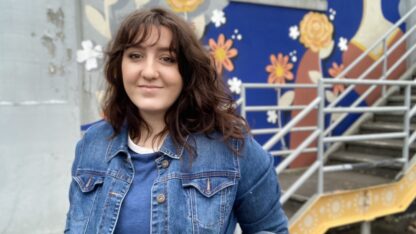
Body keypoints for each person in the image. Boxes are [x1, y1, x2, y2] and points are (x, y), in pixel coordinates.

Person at [64, 7, 288, 234]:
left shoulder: (233, 147)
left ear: (187, 71)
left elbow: (272, 230)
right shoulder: (91, 144)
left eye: (167, 58)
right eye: (135, 56)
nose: (149, 72)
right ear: (120, 65)